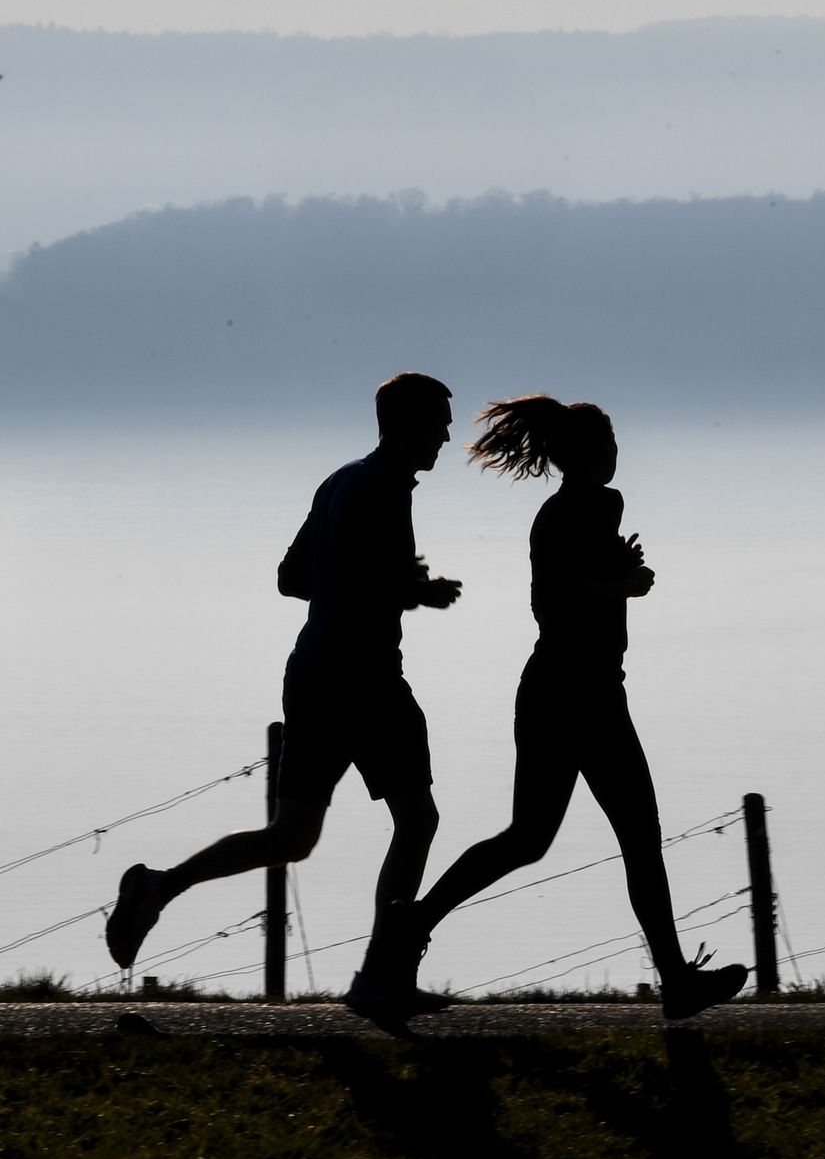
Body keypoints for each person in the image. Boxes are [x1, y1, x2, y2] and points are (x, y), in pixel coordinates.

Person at [106, 372, 464, 1027]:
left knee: (292, 836)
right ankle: (381, 975)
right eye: (439, 420)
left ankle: (159, 886)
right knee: (417, 820)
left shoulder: (339, 481)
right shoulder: (382, 487)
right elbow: (357, 583)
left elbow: (291, 577)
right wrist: (415, 590)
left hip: (311, 675)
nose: (447, 432)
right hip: (366, 679)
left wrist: (387, 583)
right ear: (406, 422)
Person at [400, 394, 747, 1020]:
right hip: (577, 693)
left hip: (565, 691)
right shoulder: (574, 512)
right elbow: (556, 606)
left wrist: (617, 569)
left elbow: (581, 581)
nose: (618, 457)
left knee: (530, 838)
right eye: (612, 446)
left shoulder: (584, 511)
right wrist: (623, 583)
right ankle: (675, 984)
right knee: (623, 836)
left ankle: (417, 920)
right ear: (594, 452)